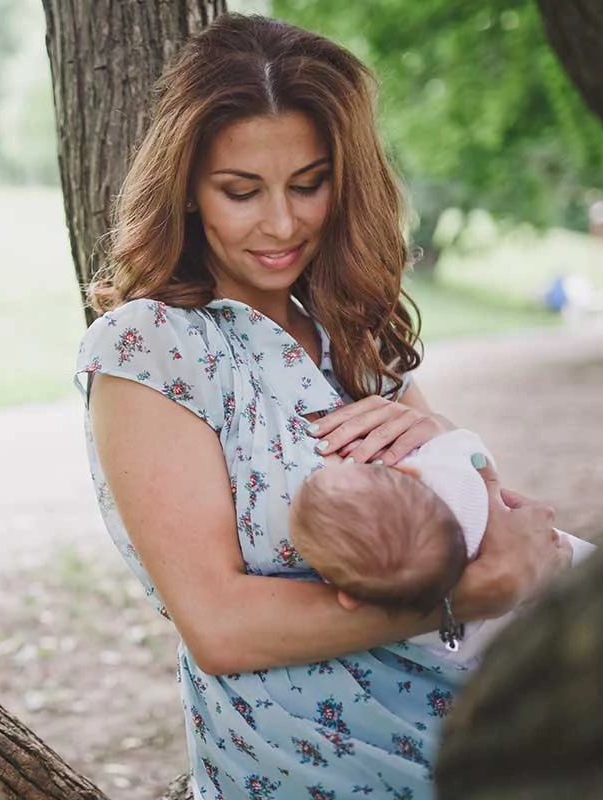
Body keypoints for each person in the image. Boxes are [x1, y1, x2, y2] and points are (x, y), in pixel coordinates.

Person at [74, 14, 570, 799]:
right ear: (190, 193)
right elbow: (222, 627)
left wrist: (444, 436)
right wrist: (466, 598)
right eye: (242, 191)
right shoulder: (154, 348)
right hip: (311, 774)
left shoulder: (353, 330)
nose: (282, 223)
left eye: (309, 184)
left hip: (481, 746)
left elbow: (475, 522)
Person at [289, 429, 595, 665]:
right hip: (560, 555)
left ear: (350, 598)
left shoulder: (416, 630)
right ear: (409, 471)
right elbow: (463, 445)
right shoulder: (455, 483)